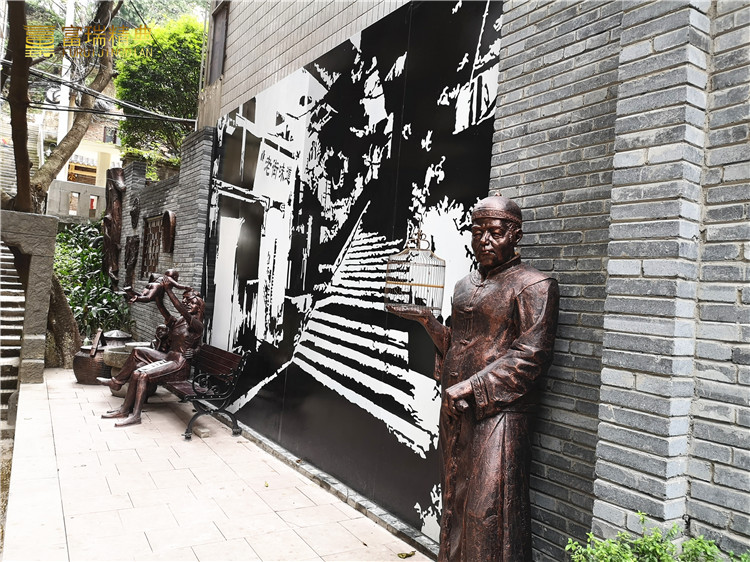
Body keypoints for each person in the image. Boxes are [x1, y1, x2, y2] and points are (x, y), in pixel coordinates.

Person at [388, 194, 559, 561]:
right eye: (477, 232)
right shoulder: (464, 285)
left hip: (499, 415)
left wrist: (471, 386)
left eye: (494, 232)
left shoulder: (534, 285)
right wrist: (427, 321)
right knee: (454, 499)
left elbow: (531, 357)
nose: (484, 240)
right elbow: (459, 344)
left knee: (488, 511)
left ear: (515, 235)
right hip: (457, 410)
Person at [98, 282, 205, 427]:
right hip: (168, 357)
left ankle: (136, 416)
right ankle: (122, 402)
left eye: (191, 302)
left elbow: (180, 309)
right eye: (185, 301)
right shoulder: (181, 321)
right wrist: (158, 298)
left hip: (179, 365)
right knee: (137, 356)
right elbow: (165, 312)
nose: (186, 304)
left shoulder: (197, 324)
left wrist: (169, 290)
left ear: (199, 307)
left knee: (142, 375)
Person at [123, 268, 189, 303]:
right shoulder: (169, 278)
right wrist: (186, 287)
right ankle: (137, 298)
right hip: (157, 286)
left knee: (142, 295)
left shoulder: (161, 277)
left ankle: (131, 292)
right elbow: (177, 285)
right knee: (148, 298)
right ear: (174, 276)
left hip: (150, 284)